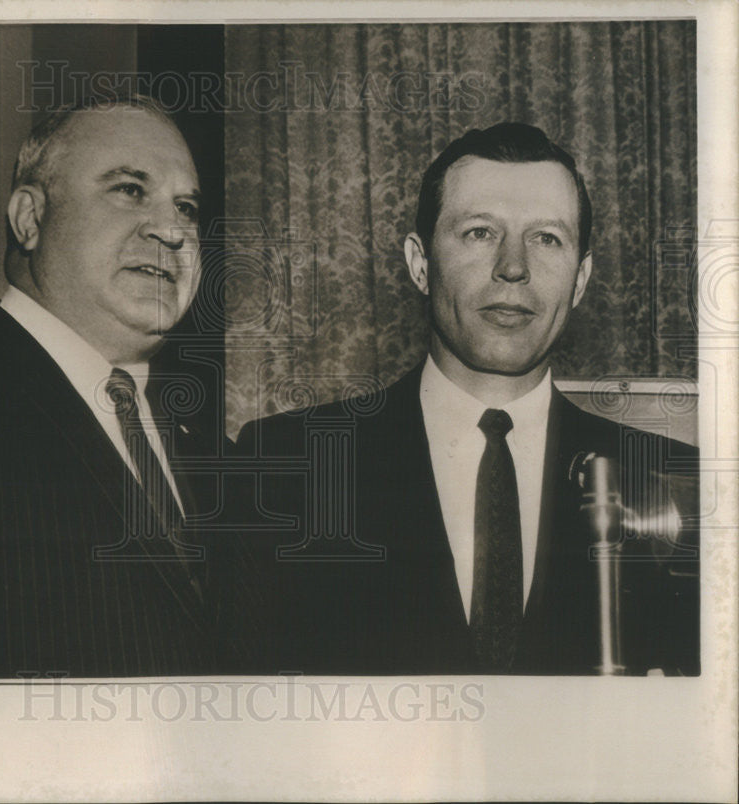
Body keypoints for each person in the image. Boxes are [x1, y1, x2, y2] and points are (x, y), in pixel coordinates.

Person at [236, 122, 699, 676]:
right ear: (420, 263)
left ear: (581, 279)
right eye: (480, 232)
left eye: (547, 238)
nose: (513, 266)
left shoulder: (669, 485)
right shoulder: (288, 467)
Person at [0, 96, 236, 678]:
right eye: (130, 189)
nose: (171, 230)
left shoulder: (218, 450)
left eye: (186, 206)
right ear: (30, 218)